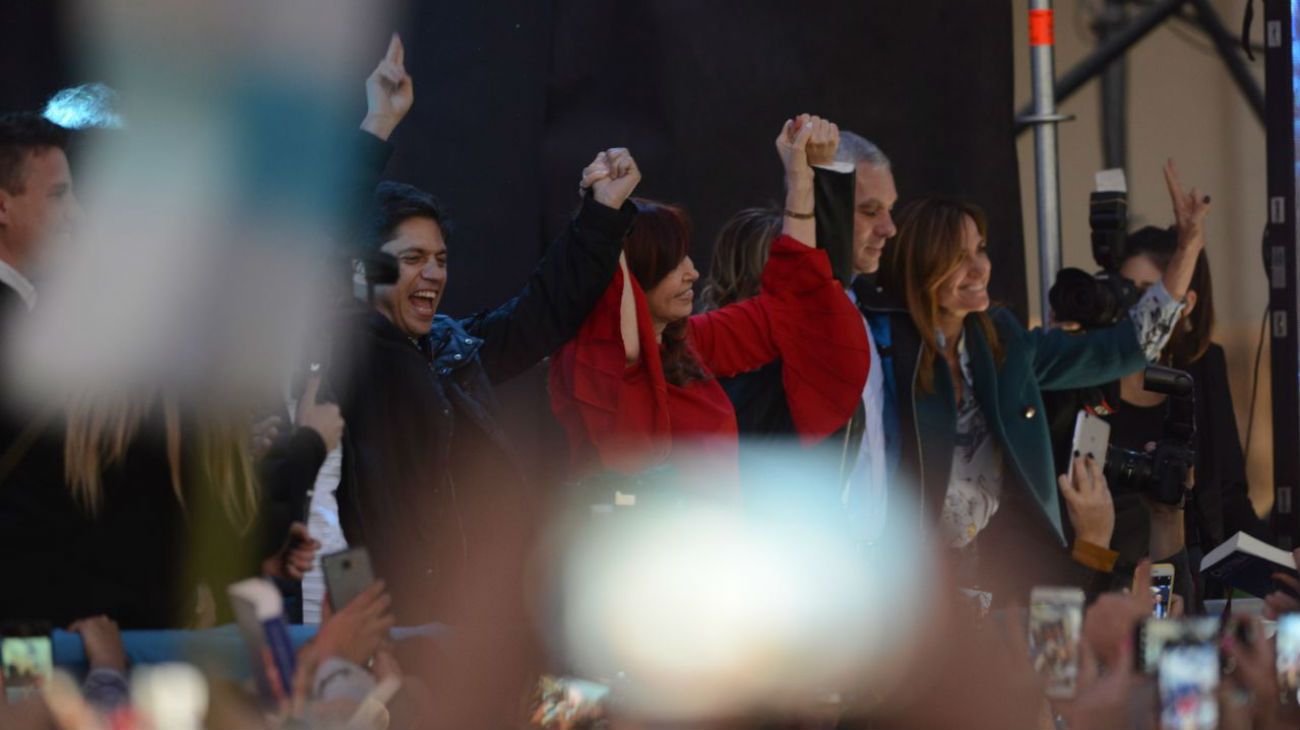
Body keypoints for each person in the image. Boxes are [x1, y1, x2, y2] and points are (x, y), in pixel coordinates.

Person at [860, 159, 1206, 599]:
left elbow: (1127, 346)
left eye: (980, 250)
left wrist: (1187, 247)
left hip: (997, 579)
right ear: (917, 265)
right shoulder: (879, 344)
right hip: (902, 585)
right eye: (957, 258)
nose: (979, 268)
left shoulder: (1000, 339)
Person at [547, 115, 870, 490]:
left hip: (714, 546)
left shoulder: (688, 345)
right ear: (633, 274)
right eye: (671, 263)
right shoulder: (598, 360)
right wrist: (605, 214)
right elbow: (615, 331)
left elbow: (793, 302)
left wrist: (801, 178)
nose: (692, 273)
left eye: (686, 256)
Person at [1046, 219, 1269, 605]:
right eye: (1128, 292)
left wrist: (1278, 569)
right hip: (1098, 567)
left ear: (1184, 305)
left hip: (1182, 567)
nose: (1140, 309)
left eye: (1151, 294)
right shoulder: (1087, 370)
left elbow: (1229, 493)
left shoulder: (1202, 366)